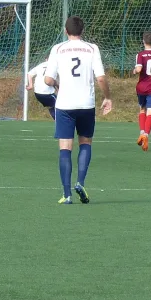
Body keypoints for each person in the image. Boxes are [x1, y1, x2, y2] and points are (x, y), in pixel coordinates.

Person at [44, 16, 112, 205]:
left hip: (65, 105)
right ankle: (80, 183)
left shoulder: (57, 49)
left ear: (66, 31)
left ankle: (67, 195)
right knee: (85, 143)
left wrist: (57, 84)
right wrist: (107, 97)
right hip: (86, 104)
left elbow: (48, 80)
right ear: (82, 31)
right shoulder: (92, 48)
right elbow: (100, 78)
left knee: (65, 148)